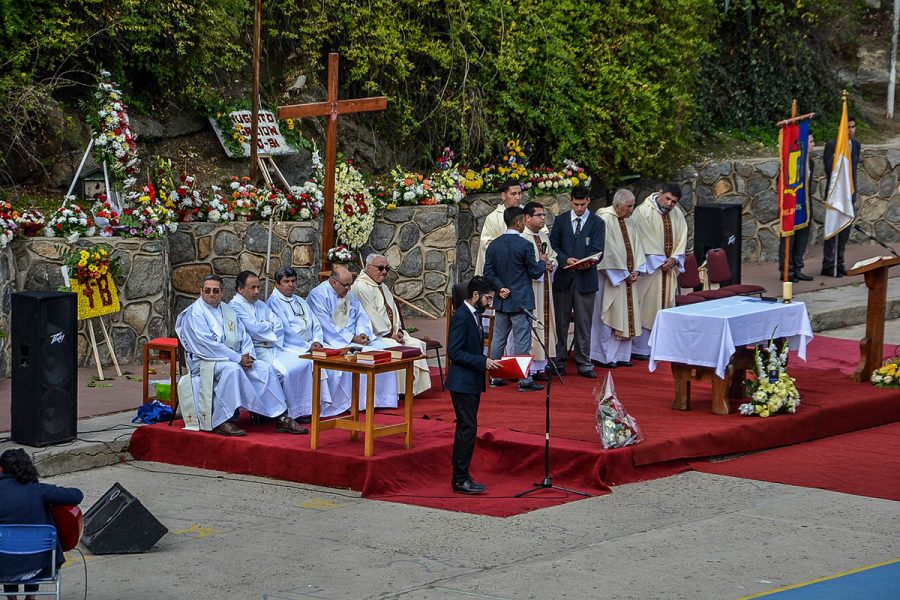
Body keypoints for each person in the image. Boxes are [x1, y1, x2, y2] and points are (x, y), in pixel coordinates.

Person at [175, 273, 306, 436]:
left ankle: (280, 417)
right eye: (207, 290)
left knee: (264, 369)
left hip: (234, 357)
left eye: (215, 291)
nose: (211, 294)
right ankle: (223, 420)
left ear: (222, 292)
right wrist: (237, 358)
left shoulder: (227, 310)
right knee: (232, 370)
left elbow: (243, 336)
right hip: (205, 361)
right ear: (201, 291)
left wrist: (248, 355)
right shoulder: (195, 313)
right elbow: (206, 345)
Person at [229, 270, 316, 426]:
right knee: (286, 372)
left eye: (258, 287)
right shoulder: (234, 307)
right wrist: (266, 326)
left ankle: (301, 410)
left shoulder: (261, 305)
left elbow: (277, 324)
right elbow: (252, 328)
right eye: (252, 288)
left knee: (305, 363)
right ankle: (287, 413)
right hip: (258, 350)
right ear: (239, 289)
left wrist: (264, 327)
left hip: (274, 347)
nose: (257, 291)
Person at [306, 266, 399, 408]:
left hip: (353, 339)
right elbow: (325, 324)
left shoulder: (347, 292)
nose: (349, 289)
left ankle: (382, 399)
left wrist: (362, 333)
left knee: (385, 351)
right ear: (333, 282)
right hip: (334, 340)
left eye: (350, 284)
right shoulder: (318, 295)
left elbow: (361, 315)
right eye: (346, 285)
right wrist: (351, 338)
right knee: (353, 360)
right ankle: (355, 403)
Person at [266, 266, 353, 418]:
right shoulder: (273, 303)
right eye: (286, 281)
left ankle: (329, 406)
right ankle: (303, 410)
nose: (291, 284)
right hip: (290, 347)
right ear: (277, 284)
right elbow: (285, 331)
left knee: (336, 362)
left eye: (293, 281)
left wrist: (317, 340)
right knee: (310, 364)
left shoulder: (300, 300)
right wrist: (308, 346)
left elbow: (316, 323)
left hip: (310, 345)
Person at [0, 448, 83, 600]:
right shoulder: (38, 490)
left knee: (7, 545)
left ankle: (11, 597)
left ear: (1, 469)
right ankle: (30, 596)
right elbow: (77, 495)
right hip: (38, 568)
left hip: (2, 568)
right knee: (32, 543)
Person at [446, 276, 500, 494]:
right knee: (467, 428)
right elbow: (454, 352)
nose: (489, 303)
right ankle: (460, 478)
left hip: (471, 381)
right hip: (462, 382)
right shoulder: (462, 316)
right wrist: (483, 361)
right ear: (476, 295)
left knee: (469, 427)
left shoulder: (474, 315)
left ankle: (463, 475)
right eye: (488, 298)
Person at [484, 206, 548, 391]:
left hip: (503, 300)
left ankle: (495, 376)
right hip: (521, 300)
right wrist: (542, 261)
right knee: (522, 340)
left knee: (498, 339)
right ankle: (524, 379)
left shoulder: (494, 245)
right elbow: (535, 272)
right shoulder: (525, 245)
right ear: (519, 222)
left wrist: (500, 287)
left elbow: (488, 272)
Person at [351, 253, 432, 396]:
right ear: (369, 267)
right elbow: (371, 315)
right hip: (376, 335)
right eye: (380, 268)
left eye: (387, 269)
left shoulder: (382, 286)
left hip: (393, 333)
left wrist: (399, 330)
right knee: (398, 348)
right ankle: (399, 390)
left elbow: (393, 311)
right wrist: (390, 335)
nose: (384, 272)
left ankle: (411, 389)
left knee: (417, 344)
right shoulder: (360, 287)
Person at [548, 184, 605, 378]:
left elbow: (599, 249)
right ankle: (560, 359)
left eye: (582, 204)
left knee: (583, 322)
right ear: (570, 201)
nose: (579, 208)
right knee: (561, 322)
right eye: (575, 204)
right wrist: (565, 260)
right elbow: (553, 244)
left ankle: (583, 361)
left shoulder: (598, 223)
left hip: (585, 278)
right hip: (564, 278)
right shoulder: (561, 220)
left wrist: (586, 261)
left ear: (588, 201)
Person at [590, 189, 648, 368]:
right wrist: (623, 274)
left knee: (626, 315)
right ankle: (603, 356)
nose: (632, 210)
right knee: (608, 314)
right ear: (617, 205)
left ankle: (622, 355)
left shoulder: (629, 221)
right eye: (629, 206)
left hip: (628, 279)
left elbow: (637, 246)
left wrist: (637, 269)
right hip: (611, 279)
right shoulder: (604, 219)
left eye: (632, 205)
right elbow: (608, 252)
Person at [631, 183, 687, 360]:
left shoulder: (677, 214)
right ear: (660, 193)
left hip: (668, 270)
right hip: (651, 271)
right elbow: (643, 238)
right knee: (647, 306)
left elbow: (683, 236)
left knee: (665, 306)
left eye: (674, 202)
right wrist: (661, 260)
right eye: (668, 199)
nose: (670, 204)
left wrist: (675, 258)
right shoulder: (643, 212)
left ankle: (662, 347)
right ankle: (641, 349)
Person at [520, 201, 558, 380]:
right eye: (539, 215)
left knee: (545, 323)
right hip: (531, 289)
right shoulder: (522, 238)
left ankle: (542, 366)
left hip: (545, 286)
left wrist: (551, 264)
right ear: (527, 218)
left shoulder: (543, 235)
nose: (543, 218)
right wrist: (541, 264)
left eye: (544, 215)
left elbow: (553, 257)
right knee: (533, 324)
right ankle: (530, 368)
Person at [822, 116, 861, 277]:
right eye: (847, 127)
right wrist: (839, 151)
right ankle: (829, 265)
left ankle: (840, 262)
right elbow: (828, 168)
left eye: (852, 127)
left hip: (848, 194)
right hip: (835, 195)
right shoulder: (831, 146)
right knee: (833, 231)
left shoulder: (856, 145)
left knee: (845, 232)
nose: (850, 130)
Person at [779, 133, 817, 282]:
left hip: (806, 205)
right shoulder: (792, 161)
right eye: (811, 141)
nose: (813, 144)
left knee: (802, 239)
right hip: (791, 205)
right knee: (789, 239)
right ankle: (786, 270)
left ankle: (798, 268)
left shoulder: (811, 162)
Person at [474, 179, 524, 275]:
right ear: (504, 196)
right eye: (513, 194)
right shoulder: (493, 218)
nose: (517, 197)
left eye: (520, 193)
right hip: (503, 268)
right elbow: (486, 245)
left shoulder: (528, 213)